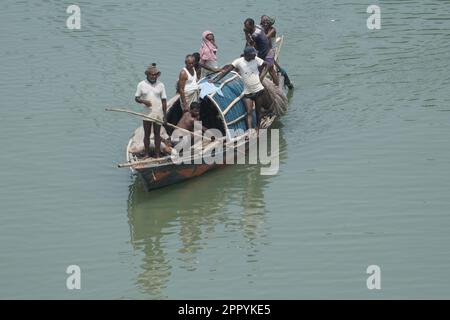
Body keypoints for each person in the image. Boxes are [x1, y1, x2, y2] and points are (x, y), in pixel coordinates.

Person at [212, 47, 267, 132]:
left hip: (258, 90)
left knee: (258, 111)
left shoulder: (256, 59)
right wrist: (216, 80)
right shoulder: (238, 61)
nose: (255, 55)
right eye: (253, 54)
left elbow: (267, 64)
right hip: (247, 92)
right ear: (247, 55)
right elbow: (227, 70)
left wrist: (262, 75)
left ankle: (258, 128)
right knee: (248, 112)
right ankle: (249, 131)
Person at [134, 63, 167, 158]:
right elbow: (136, 98)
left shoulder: (161, 85)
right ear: (147, 74)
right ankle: (147, 153)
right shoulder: (141, 84)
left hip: (158, 113)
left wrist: (165, 115)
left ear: (157, 75)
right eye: (151, 74)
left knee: (157, 134)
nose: (153, 76)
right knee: (147, 134)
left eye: (155, 74)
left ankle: (157, 154)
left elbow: (164, 101)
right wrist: (144, 101)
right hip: (147, 113)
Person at [260, 15, 294, 89]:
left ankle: (277, 87)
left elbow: (265, 39)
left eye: (267, 22)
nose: (265, 24)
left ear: (270, 23)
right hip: (263, 49)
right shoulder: (261, 29)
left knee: (271, 69)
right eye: (263, 22)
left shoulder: (272, 30)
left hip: (270, 50)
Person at [243, 18, 279, 86]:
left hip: (267, 53)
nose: (245, 28)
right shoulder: (257, 28)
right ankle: (258, 85)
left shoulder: (255, 35)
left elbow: (250, 44)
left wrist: (246, 33)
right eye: (245, 26)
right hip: (263, 52)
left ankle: (276, 87)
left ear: (251, 25)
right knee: (261, 71)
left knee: (270, 71)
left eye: (246, 26)